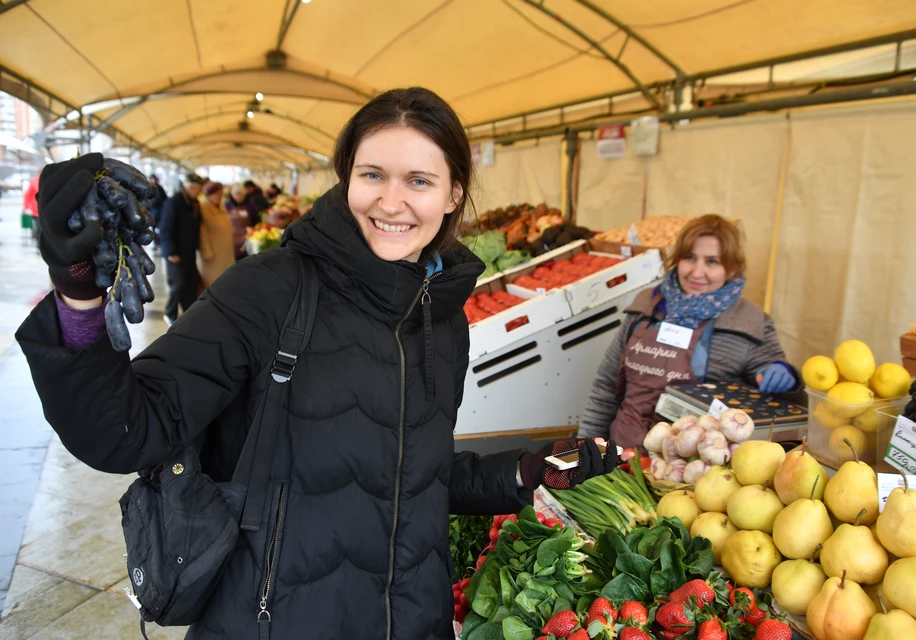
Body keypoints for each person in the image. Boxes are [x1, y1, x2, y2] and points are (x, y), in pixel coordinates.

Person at [15, 87, 626, 640]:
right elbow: (126, 432)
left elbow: (407, 477)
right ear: (345, 179)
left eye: (419, 180)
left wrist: (519, 474)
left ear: (453, 194)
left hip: (413, 620)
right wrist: (78, 298)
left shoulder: (442, 317)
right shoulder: (269, 291)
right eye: (372, 175)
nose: (392, 201)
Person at [578, 214, 798, 449]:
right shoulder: (646, 305)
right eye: (689, 258)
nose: (697, 271)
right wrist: (583, 449)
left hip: (692, 469)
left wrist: (783, 373)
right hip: (622, 453)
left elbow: (776, 390)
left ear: (731, 268)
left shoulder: (749, 320)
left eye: (712, 261)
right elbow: (606, 387)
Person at [159, 173, 203, 325]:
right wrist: (170, 251)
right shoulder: (174, 202)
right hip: (175, 253)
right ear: (189, 187)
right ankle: (169, 313)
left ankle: (189, 313)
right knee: (177, 284)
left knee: (190, 285)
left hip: (189, 252)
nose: (198, 192)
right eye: (196, 189)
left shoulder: (194, 203)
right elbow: (165, 228)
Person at [197, 182, 236, 287]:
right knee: (212, 282)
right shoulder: (203, 207)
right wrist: (206, 252)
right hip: (212, 255)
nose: (220, 196)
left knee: (225, 280)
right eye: (217, 194)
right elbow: (202, 232)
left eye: (221, 193)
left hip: (225, 252)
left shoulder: (220, 206)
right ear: (209, 194)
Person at [224, 184, 252, 260]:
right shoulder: (227, 206)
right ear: (232, 195)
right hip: (230, 237)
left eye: (241, 195)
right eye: (236, 195)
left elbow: (255, 220)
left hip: (246, 237)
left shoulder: (249, 206)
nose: (239, 197)